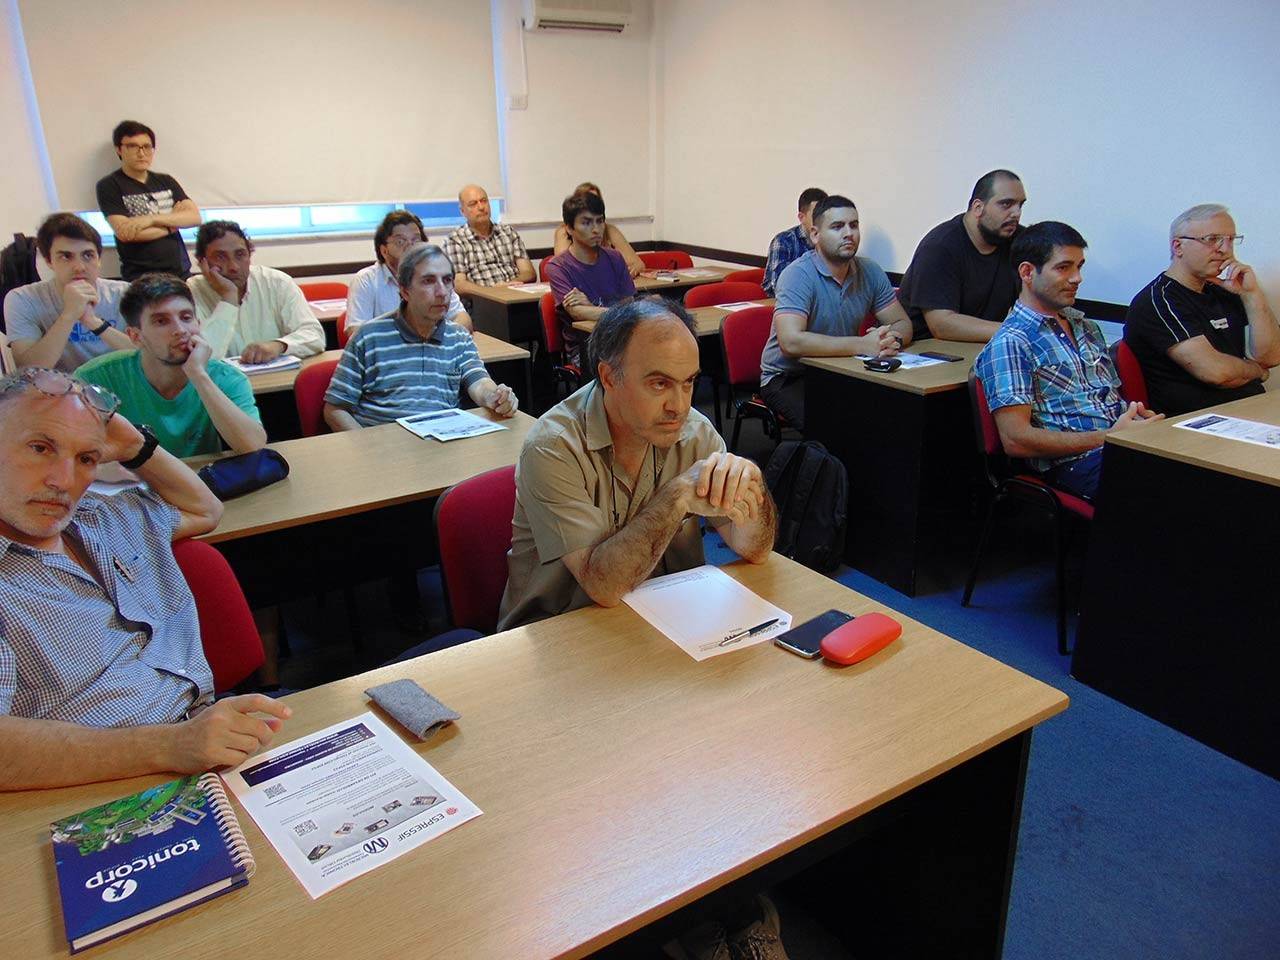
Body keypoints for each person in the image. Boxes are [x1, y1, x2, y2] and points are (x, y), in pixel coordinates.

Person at [0, 367, 290, 790]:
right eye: (40, 448)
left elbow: (205, 509)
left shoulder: (102, 518)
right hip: (109, 789)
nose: (63, 481)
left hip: (213, 739)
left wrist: (137, 446)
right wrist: (171, 745)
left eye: (86, 458)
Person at [498, 296, 777, 629]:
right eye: (659, 384)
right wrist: (676, 497)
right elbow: (602, 587)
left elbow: (754, 549)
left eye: (688, 382)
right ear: (609, 377)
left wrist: (753, 492)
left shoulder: (695, 432)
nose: (679, 406)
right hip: (561, 627)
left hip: (662, 617)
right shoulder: (553, 447)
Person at [975, 221, 1163, 501]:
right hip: (1073, 464)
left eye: (1079, 266)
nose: (1077, 278)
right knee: (1175, 490)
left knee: (1202, 470)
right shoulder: (1011, 342)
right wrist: (1111, 436)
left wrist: (1134, 420)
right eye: (1064, 268)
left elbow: (1105, 400)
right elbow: (1016, 440)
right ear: (1027, 272)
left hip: (1119, 445)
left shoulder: (1086, 328)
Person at [758, 195, 913, 430]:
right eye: (837, 226)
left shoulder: (870, 270)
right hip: (789, 377)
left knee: (894, 414)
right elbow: (791, 342)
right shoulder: (797, 275)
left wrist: (890, 340)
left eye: (854, 225)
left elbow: (902, 322)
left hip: (843, 368)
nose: (849, 233)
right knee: (836, 426)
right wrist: (863, 345)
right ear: (815, 235)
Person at [324, 244, 518, 430]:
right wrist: (366, 444)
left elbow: (478, 382)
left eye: (447, 280)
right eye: (428, 281)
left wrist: (495, 396)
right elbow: (335, 409)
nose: (442, 292)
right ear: (404, 291)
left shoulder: (458, 337)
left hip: (441, 440)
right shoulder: (369, 337)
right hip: (384, 443)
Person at [77, 274, 266, 458]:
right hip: (128, 478)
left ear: (198, 324)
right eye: (161, 321)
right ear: (136, 336)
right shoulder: (96, 377)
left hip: (201, 477)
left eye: (186, 317)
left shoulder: (225, 377)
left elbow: (253, 446)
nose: (180, 330)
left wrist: (198, 375)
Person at [1123, 204, 1280, 415]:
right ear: (1178, 247)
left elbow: (1271, 357)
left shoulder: (1224, 290)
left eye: (1230, 240)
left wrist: (1252, 294)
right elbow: (1216, 372)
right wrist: (1256, 371)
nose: (1225, 250)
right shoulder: (1159, 300)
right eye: (1212, 239)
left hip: (1248, 409)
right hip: (1197, 420)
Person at [897, 169, 1027, 342]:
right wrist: (1017, 331)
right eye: (1006, 204)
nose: (1016, 213)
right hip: (925, 347)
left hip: (979, 345)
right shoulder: (940, 246)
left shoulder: (1020, 241)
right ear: (978, 207)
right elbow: (942, 325)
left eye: (1020, 205)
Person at [4, 213, 133, 371]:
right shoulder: (22, 298)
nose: (79, 267)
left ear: (99, 259)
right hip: (60, 386)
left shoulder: (125, 293)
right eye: (66, 256)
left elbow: (150, 356)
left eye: (88, 255)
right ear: (49, 261)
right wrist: (69, 315)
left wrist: (93, 323)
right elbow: (29, 371)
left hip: (118, 382)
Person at [187, 221, 325, 362]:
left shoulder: (276, 282)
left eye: (240, 255)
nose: (233, 267)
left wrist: (278, 345)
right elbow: (202, 357)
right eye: (220, 257)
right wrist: (229, 298)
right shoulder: (190, 293)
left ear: (249, 255)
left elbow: (314, 335)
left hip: (277, 374)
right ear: (202, 262)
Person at [95, 120, 201, 281]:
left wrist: (151, 220)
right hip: (140, 276)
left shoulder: (166, 181)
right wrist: (172, 225)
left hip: (180, 271)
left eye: (147, 146)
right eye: (133, 146)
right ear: (119, 149)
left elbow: (194, 217)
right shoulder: (109, 185)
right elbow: (125, 233)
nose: (141, 153)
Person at [545, 190, 638, 368]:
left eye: (600, 221)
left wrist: (591, 307)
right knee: (634, 367)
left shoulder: (615, 257)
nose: (596, 229)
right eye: (586, 223)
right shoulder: (558, 267)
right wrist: (618, 313)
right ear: (569, 228)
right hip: (586, 347)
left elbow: (629, 304)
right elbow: (577, 312)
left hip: (620, 339)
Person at [347, 211, 471, 333]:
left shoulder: (436, 275)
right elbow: (356, 332)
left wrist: (437, 337)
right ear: (384, 251)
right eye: (400, 242)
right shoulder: (366, 280)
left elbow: (463, 319)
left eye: (416, 240)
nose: (410, 247)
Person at [443, 185, 536, 297]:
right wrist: (492, 292)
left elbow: (528, 272)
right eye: (473, 204)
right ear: (462, 211)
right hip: (481, 301)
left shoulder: (508, 232)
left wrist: (509, 285)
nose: (481, 207)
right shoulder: (455, 240)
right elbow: (459, 284)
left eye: (484, 201)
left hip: (516, 295)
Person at [552, 182, 645, 277]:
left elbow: (638, 264)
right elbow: (564, 268)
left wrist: (627, 273)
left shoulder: (610, 230)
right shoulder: (564, 231)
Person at [763, 187, 827, 296]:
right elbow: (781, 285)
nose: (823, 221)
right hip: (783, 302)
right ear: (802, 217)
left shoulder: (830, 240)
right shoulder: (784, 241)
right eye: (817, 216)